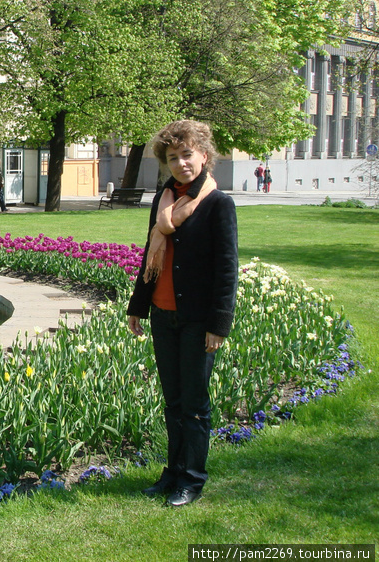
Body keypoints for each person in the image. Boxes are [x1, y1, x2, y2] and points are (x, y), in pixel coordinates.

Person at [127, 120, 238, 508]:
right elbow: (149, 254)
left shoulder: (217, 204)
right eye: (173, 157)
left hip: (197, 319)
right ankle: (172, 473)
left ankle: (192, 479)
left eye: (187, 155)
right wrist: (138, 306)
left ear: (204, 156)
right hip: (163, 314)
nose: (181, 163)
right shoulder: (164, 199)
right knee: (172, 400)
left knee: (193, 403)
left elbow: (227, 267)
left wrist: (219, 324)